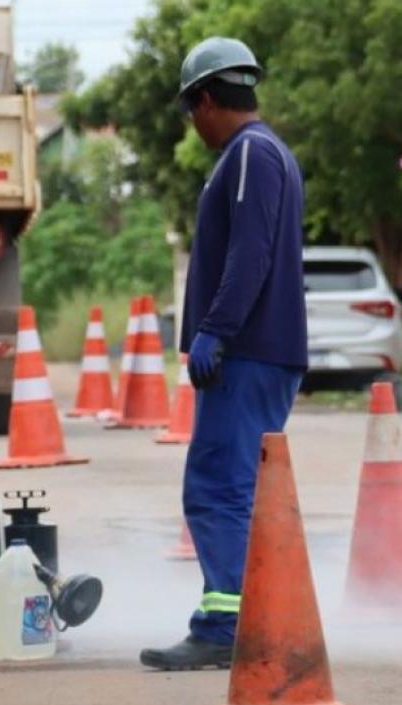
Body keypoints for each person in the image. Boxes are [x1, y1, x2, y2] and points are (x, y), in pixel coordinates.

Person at [140, 37, 307, 670]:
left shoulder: (248, 155)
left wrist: (216, 329)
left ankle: (222, 625)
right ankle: (250, 620)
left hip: (246, 353)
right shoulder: (273, 155)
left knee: (216, 487)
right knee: (240, 491)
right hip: (265, 351)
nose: (195, 125)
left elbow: (249, 254)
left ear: (205, 100)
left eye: (192, 111)